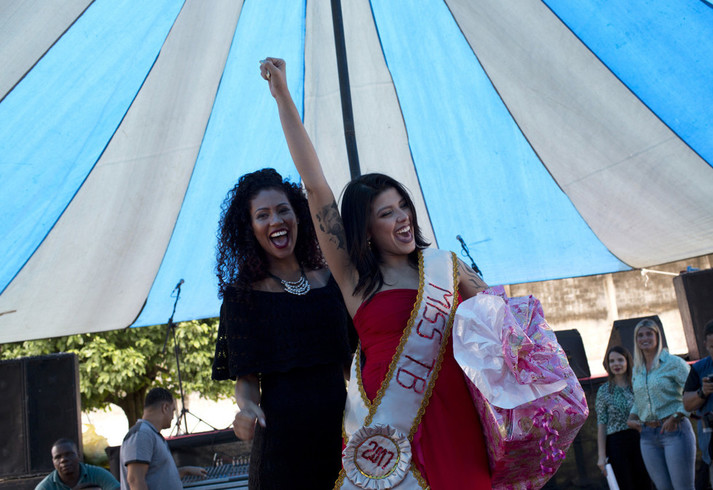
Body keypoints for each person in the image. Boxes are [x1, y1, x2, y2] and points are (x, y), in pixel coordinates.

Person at [260, 57, 491, 489]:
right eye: (387, 213)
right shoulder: (354, 280)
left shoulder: (445, 267)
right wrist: (283, 96)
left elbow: (500, 324)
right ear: (366, 229)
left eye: (403, 206)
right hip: (388, 429)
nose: (403, 218)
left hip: (457, 414)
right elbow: (316, 187)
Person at [211, 168, 354, 489]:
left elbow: (352, 366)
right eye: (262, 215)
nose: (275, 220)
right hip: (281, 455)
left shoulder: (332, 282)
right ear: (249, 228)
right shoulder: (242, 298)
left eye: (283, 210)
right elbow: (247, 380)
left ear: (299, 216)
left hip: (342, 442)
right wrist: (247, 409)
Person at [627, 318, 695, 490]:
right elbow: (640, 400)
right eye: (640, 335)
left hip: (675, 431)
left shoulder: (674, 363)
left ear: (657, 336)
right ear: (636, 340)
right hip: (647, 436)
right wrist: (631, 417)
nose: (645, 338)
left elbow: (693, 393)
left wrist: (676, 416)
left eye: (649, 334)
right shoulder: (637, 369)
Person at [119, 388, 206, 489]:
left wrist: (185, 471)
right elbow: (135, 480)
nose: (173, 417)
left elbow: (158, 478)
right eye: (173, 410)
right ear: (165, 407)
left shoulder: (150, 434)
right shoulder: (142, 435)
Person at [595, 345, 652, 489]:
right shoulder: (603, 391)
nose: (616, 364)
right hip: (616, 444)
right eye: (612, 361)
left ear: (627, 362)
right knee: (625, 484)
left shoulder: (638, 385)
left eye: (620, 360)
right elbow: (601, 423)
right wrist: (601, 456)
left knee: (645, 482)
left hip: (640, 438)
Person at [683, 319, 713, 488]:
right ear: (705, 345)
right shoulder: (700, 368)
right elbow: (687, 404)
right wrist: (703, 392)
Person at [35, 438, 119, 490]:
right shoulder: (45, 487)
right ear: (53, 462)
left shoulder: (98, 474)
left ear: (78, 455)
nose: (63, 460)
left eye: (69, 454)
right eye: (58, 457)